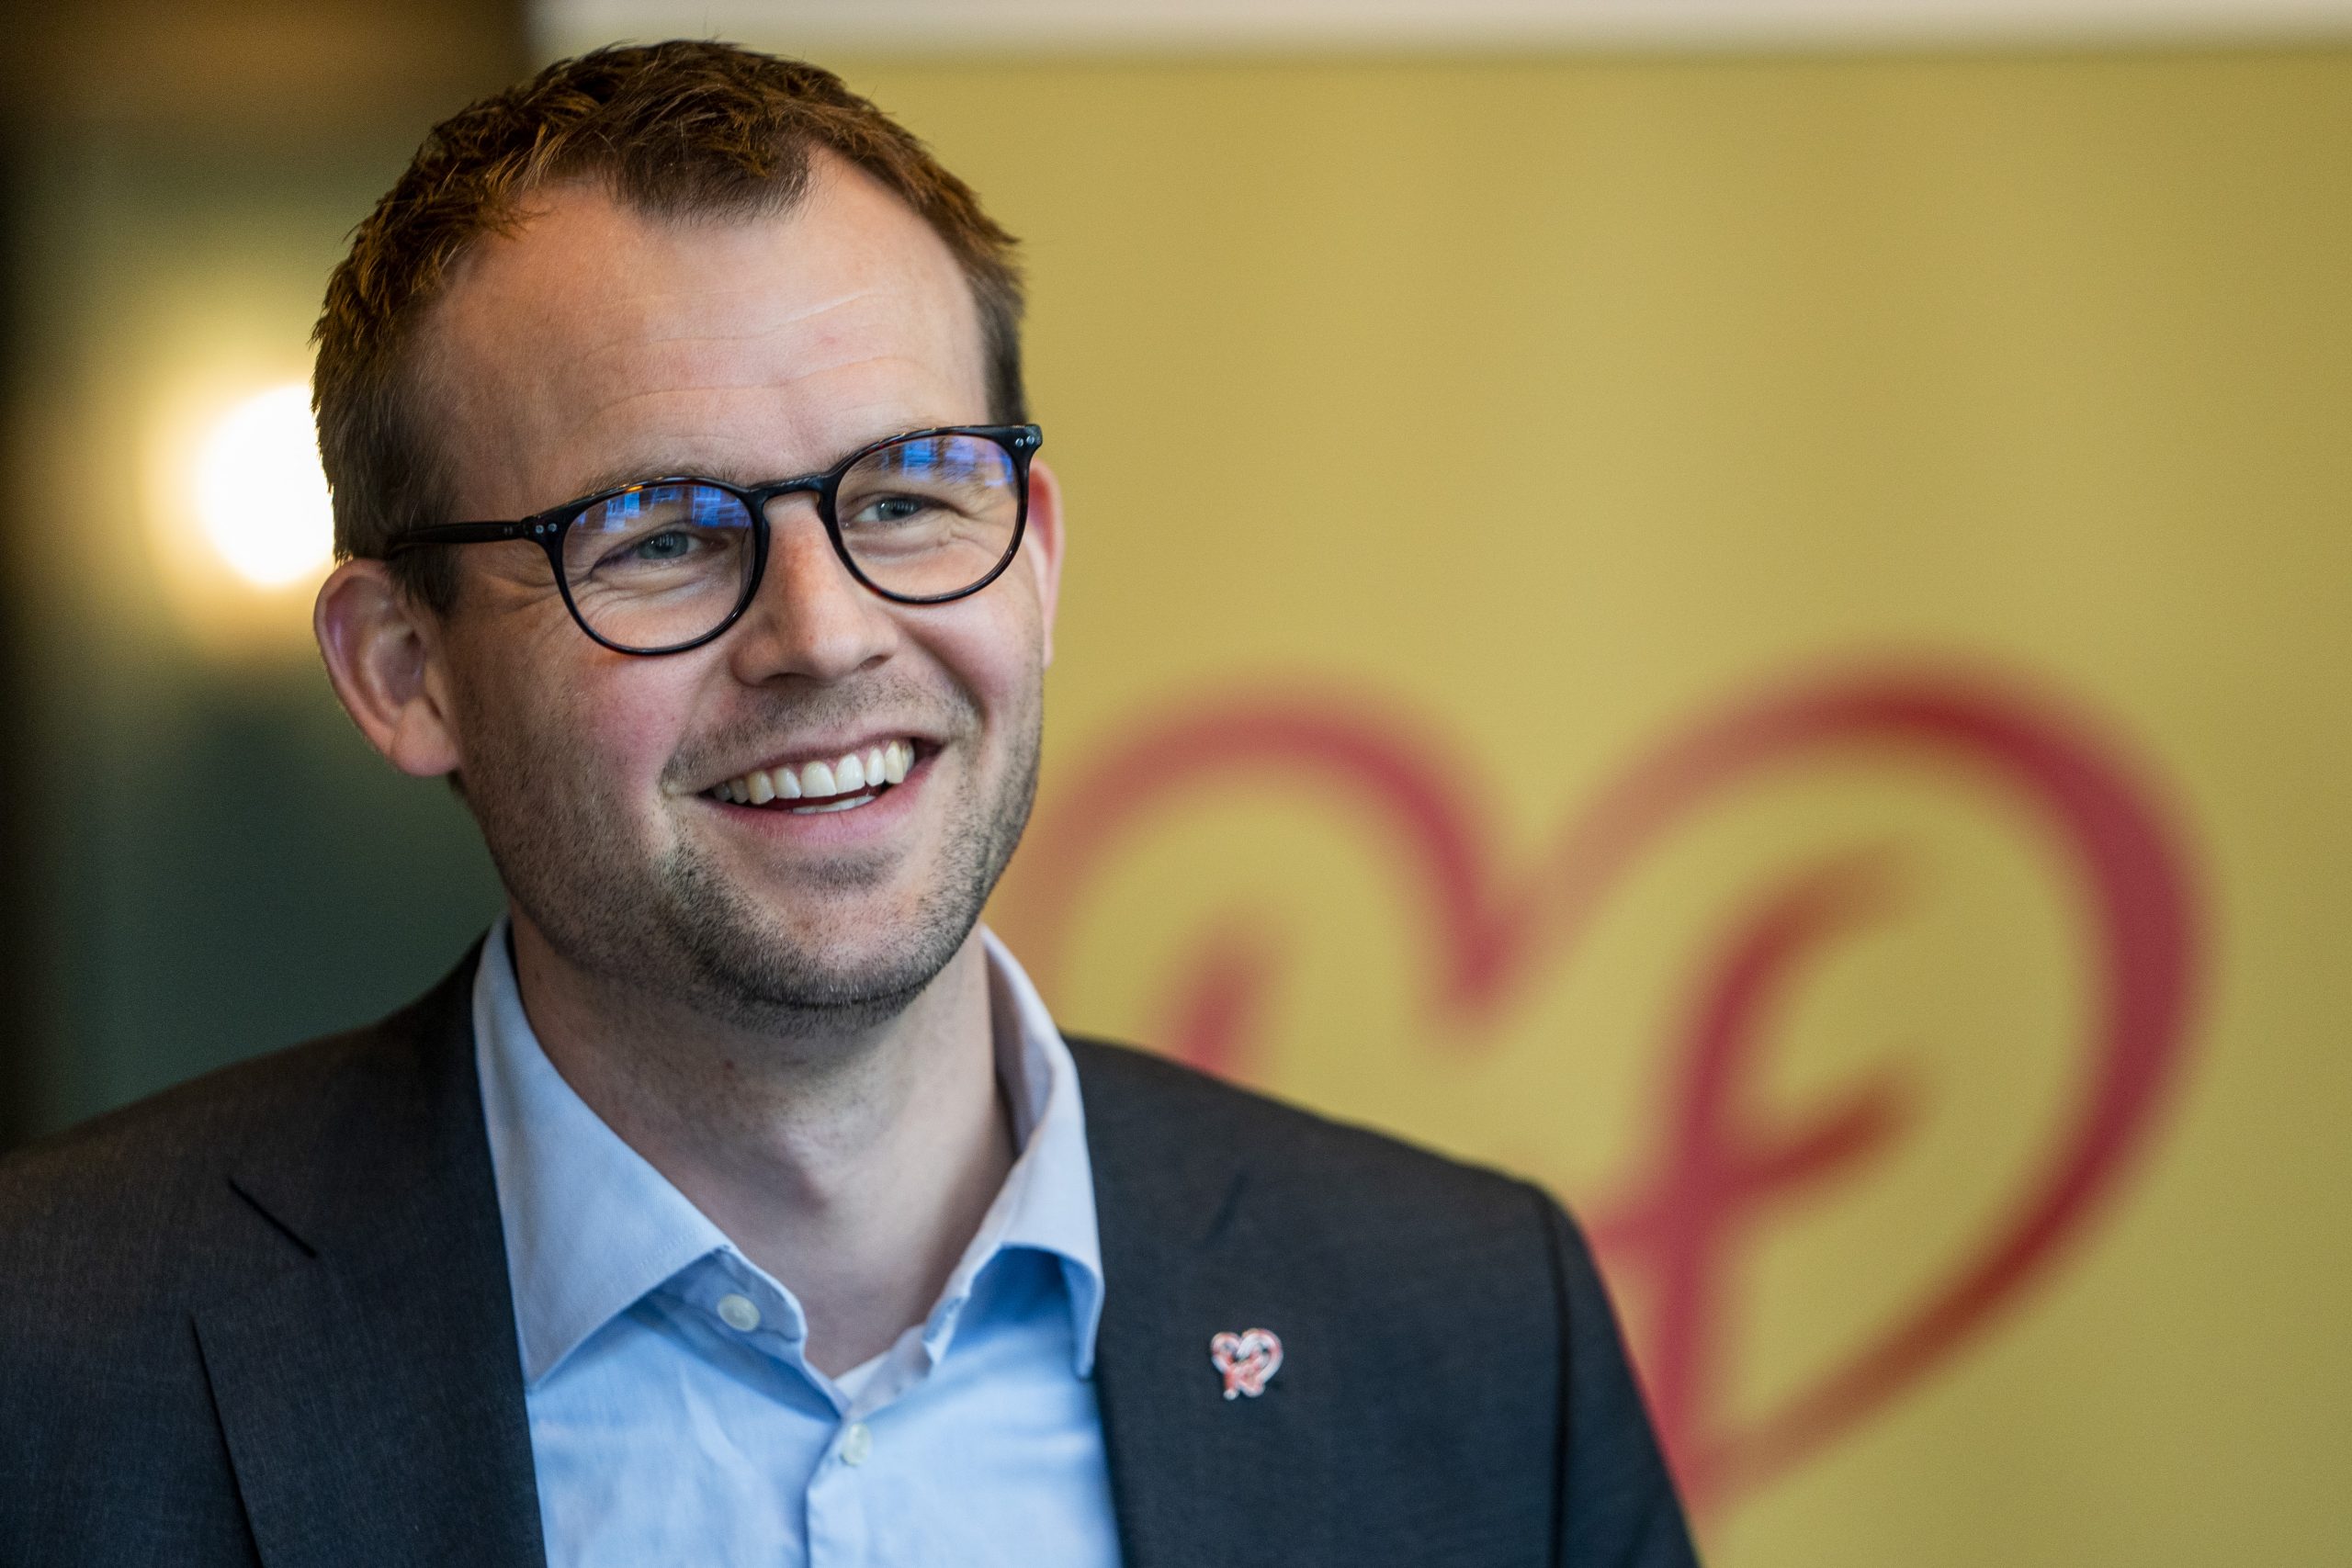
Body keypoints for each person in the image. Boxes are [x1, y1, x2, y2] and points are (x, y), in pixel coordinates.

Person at [0, 40, 1697, 1567]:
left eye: (905, 497)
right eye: (663, 535)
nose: (823, 634)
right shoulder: (50, 1359)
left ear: (1035, 556)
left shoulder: (1478, 1334)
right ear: (402, 668)